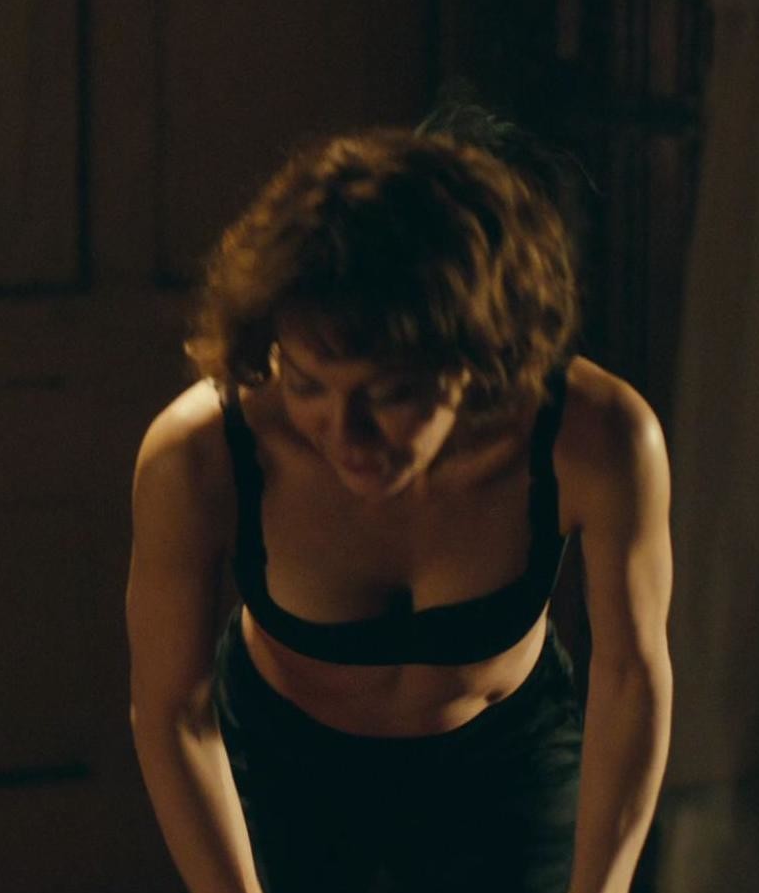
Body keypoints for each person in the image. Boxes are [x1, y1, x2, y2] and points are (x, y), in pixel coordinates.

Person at [126, 122, 673, 893]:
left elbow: (630, 676)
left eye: (390, 395)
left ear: (479, 357)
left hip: (506, 768)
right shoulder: (201, 454)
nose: (343, 434)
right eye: (308, 384)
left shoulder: (597, 438)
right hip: (286, 773)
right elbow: (170, 712)